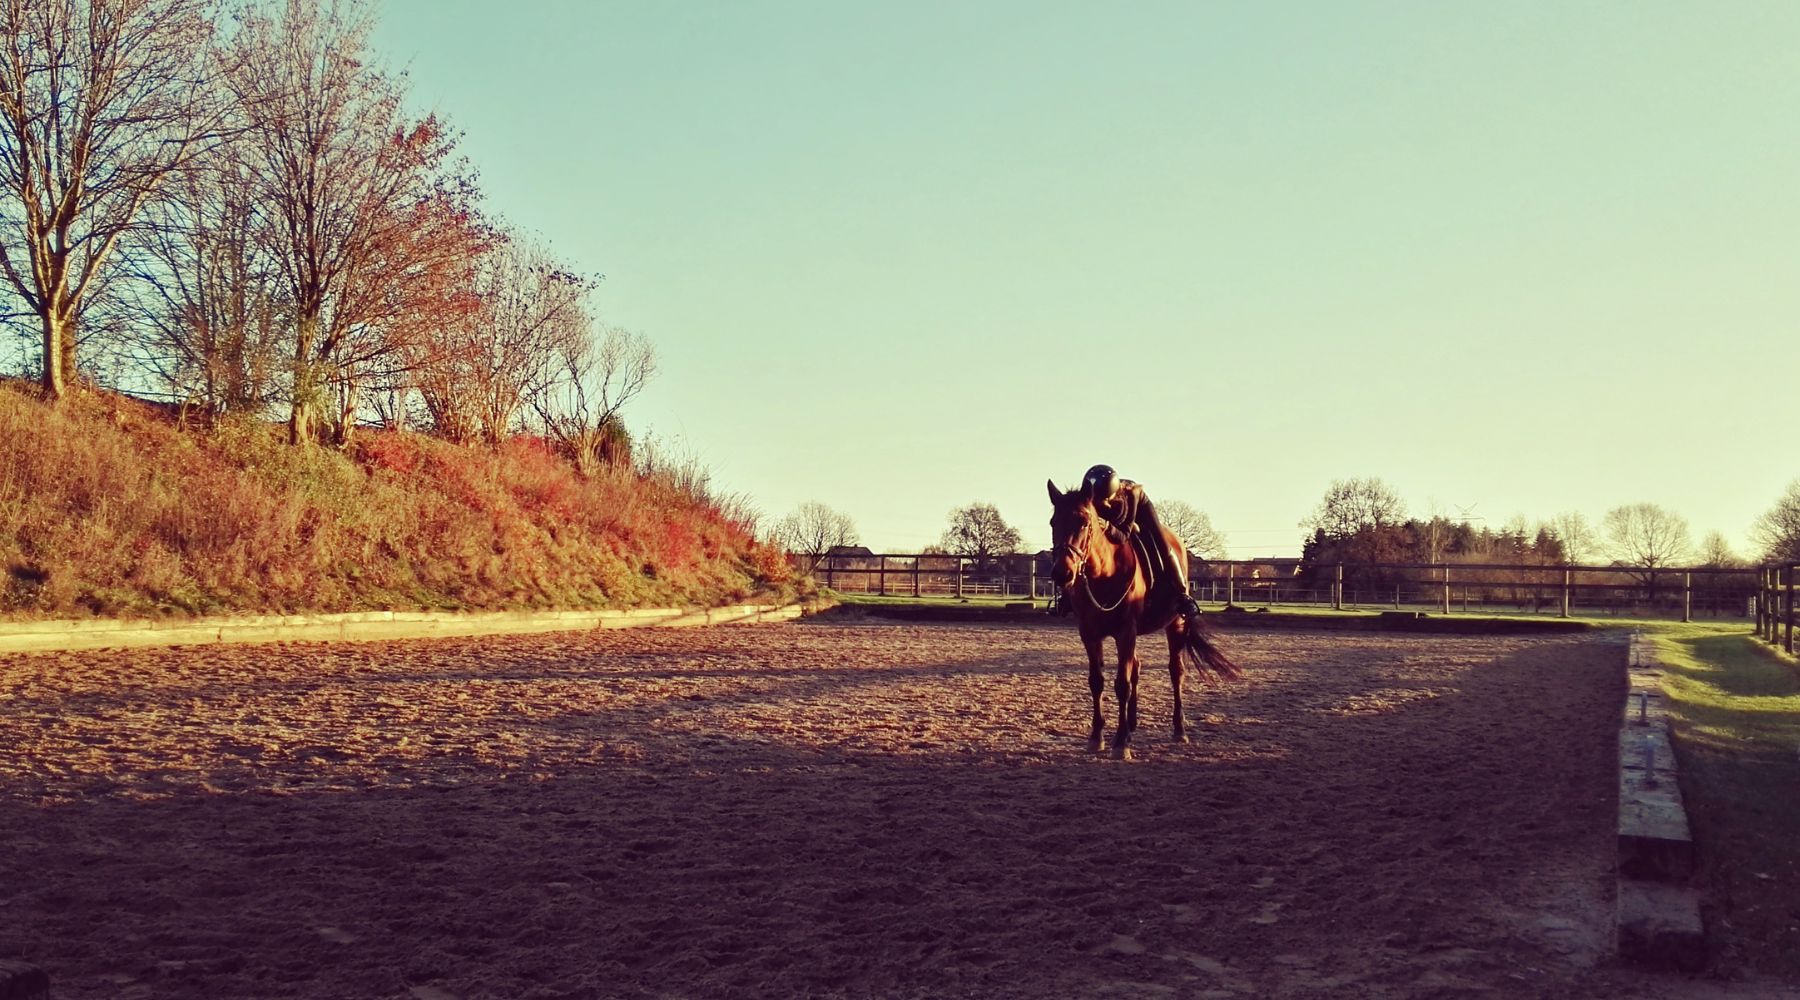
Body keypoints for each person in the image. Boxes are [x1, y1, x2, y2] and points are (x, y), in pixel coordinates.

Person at [1079, 464, 1203, 619]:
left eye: (1101, 500)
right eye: (1094, 500)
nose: (1098, 504)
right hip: (1116, 519)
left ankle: (1183, 594)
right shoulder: (1091, 495)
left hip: (1140, 510)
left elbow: (1124, 534)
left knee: (1161, 543)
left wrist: (1108, 526)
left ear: (1110, 495)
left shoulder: (1130, 495)